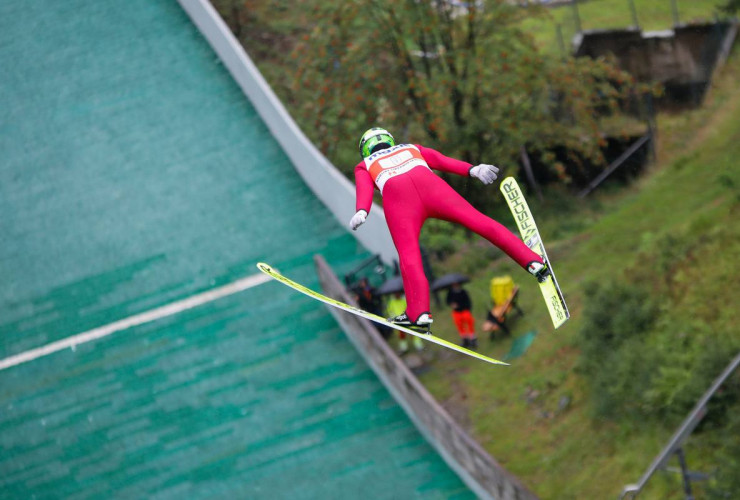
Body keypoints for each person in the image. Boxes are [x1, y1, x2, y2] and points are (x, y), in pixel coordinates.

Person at [350, 127, 550, 330]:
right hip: (433, 189)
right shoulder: (411, 148)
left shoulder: (364, 165)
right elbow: (441, 160)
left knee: (409, 255)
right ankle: (533, 262)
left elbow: (364, 188)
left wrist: (362, 211)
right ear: (390, 141)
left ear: (365, 150)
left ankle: (418, 313)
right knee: (480, 222)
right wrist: (473, 169)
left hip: (400, 202)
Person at [446, 282, 477, 349]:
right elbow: (448, 301)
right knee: (459, 325)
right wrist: (452, 304)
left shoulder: (463, 292)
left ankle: (472, 339)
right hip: (457, 312)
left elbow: (468, 302)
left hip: (465, 310)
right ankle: (465, 339)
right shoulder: (450, 293)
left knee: (470, 323)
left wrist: (465, 307)